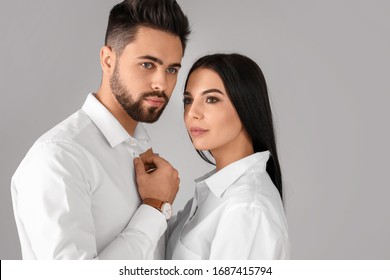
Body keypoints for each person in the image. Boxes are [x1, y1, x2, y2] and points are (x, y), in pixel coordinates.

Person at [11, 0, 190, 259]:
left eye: (171, 69)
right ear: (108, 59)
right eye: (148, 64)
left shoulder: (140, 149)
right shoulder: (59, 158)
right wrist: (154, 207)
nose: (161, 83)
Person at [165, 53, 290, 259]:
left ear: (246, 105)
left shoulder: (247, 209)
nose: (192, 112)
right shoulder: (215, 191)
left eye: (211, 99)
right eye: (188, 100)